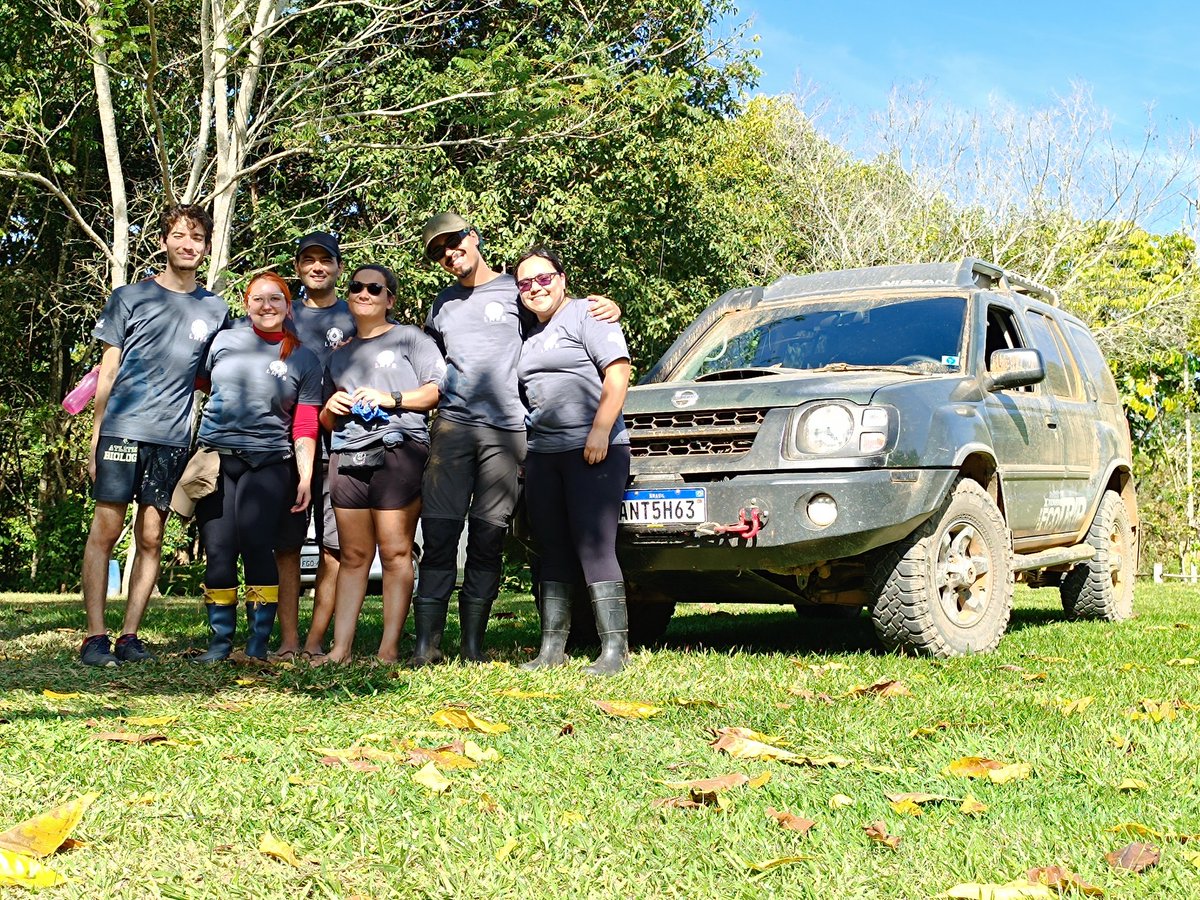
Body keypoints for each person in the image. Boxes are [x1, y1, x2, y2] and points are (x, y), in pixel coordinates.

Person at [411, 213, 619, 667]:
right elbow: (429, 364)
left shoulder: (516, 290)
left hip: (508, 432)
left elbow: (558, 314)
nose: (449, 253)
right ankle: (426, 646)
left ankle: (472, 647)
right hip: (451, 429)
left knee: (488, 538)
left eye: (453, 242)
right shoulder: (440, 306)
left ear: (473, 236)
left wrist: (605, 307)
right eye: (438, 250)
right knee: (441, 534)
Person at [80, 204, 230, 667]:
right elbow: (108, 372)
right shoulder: (129, 297)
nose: (189, 245)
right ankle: (94, 636)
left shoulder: (216, 308)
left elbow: (220, 370)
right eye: (180, 236)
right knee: (106, 528)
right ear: (165, 241)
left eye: (198, 238)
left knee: (151, 536)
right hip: (122, 430)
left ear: (206, 248)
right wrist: (95, 437)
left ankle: (129, 636)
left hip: (171, 439)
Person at [191, 273, 322, 661]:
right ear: (246, 304)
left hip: (269, 463)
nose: (267, 306)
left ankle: (257, 643)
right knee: (217, 550)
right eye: (258, 299)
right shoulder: (224, 341)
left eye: (276, 299)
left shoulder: (304, 357)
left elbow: (304, 424)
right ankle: (219, 642)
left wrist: (305, 476)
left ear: (288, 305)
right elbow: (200, 383)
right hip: (216, 459)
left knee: (256, 545)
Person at [318, 264, 444, 664]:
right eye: (356, 287)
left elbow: (436, 391)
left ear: (390, 298)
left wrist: (391, 397)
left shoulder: (411, 338)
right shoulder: (338, 355)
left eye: (375, 288)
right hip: (347, 455)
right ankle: (340, 649)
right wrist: (330, 409)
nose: (364, 293)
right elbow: (324, 418)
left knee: (394, 553)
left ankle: (388, 649)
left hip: (397, 451)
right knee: (353, 556)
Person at [514, 247, 632, 676]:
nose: (535, 288)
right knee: (552, 548)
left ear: (562, 279)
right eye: (525, 283)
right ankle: (552, 649)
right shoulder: (527, 332)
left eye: (543, 278)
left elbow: (618, 373)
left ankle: (615, 651)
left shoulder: (587, 314)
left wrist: (601, 430)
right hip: (544, 454)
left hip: (594, 448)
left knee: (594, 544)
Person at [272, 232, 357, 661]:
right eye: (309, 260)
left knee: (335, 547)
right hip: (289, 444)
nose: (318, 266)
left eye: (326, 260)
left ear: (338, 267)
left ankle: (315, 641)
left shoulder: (356, 311)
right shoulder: (283, 316)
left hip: (346, 444)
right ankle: (288, 641)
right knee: (286, 545)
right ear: (299, 267)